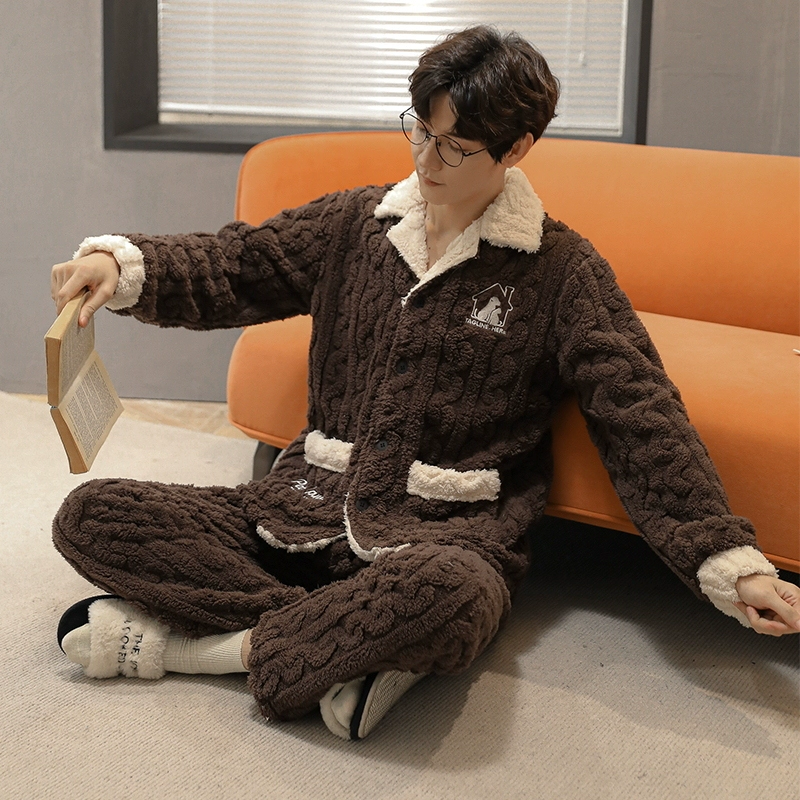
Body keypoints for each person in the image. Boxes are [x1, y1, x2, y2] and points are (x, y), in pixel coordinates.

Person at [50, 25, 800, 741]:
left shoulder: (563, 273)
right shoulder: (353, 223)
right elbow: (239, 263)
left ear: (517, 148)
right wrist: (123, 266)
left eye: (455, 145)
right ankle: (348, 646)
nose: (426, 158)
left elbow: (639, 413)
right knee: (92, 515)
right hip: (302, 506)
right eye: (419, 129)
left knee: (454, 598)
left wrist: (724, 560)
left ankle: (204, 650)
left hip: (444, 538)